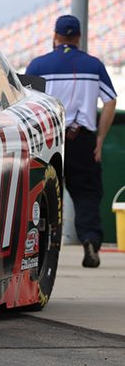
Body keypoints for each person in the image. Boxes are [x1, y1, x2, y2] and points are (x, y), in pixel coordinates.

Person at [26, 15, 118, 268]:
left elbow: (27, 105)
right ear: (78, 37)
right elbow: (110, 101)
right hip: (82, 140)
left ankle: (41, 247)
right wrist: (99, 138)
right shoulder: (94, 65)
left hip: (49, 138)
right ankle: (89, 239)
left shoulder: (38, 65)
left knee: (42, 194)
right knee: (87, 194)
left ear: (55, 36)